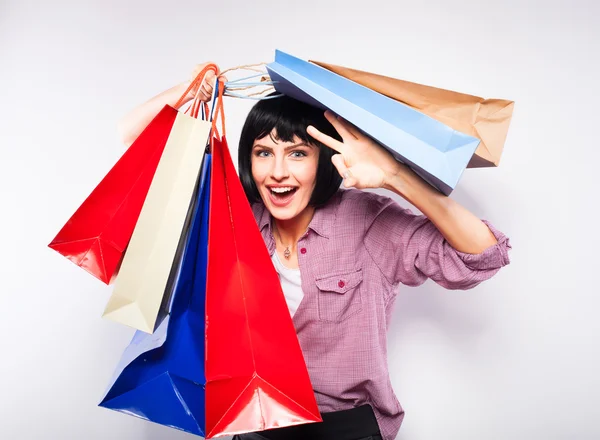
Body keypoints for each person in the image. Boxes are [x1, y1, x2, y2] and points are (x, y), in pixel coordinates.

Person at [119, 62, 512, 440]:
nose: (277, 172)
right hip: (253, 420)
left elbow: (481, 257)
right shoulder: (234, 218)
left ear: (323, 159)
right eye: (263, 152)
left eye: (297, 153)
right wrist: (186, 93)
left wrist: (395, 177)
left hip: (347, 428)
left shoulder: (369, 222)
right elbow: (133, 147)